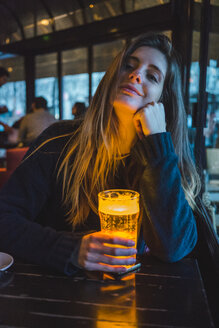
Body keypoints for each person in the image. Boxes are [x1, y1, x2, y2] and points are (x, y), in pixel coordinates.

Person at [0, 33, 201, 275]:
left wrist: (158, 142)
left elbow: (174, 248)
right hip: (53, 298)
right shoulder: (59, 141)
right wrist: (71, 249)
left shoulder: (163, 159)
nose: (136, 75)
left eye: (152, 76)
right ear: (111, 76)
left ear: (163, 100)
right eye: (129, 65)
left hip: (139, 301)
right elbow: (4, 219)